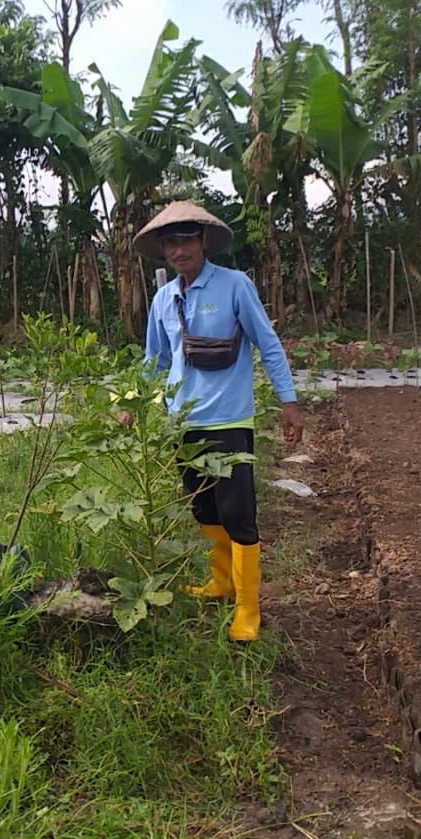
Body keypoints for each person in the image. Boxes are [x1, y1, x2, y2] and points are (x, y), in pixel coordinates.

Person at [132, 201, 303, 642]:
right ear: (163, 249)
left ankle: (248, 608)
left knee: (237, 513)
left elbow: (267, 343)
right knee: (203, 508)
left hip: (229, 421)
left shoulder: (234, 286)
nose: (178, 249)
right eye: (170, 242)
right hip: (181, 424)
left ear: (203, 241)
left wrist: (289, 402)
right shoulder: (164, 298)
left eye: (186, 239)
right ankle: (222, 582)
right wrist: (136, 404)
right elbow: (155, 360)